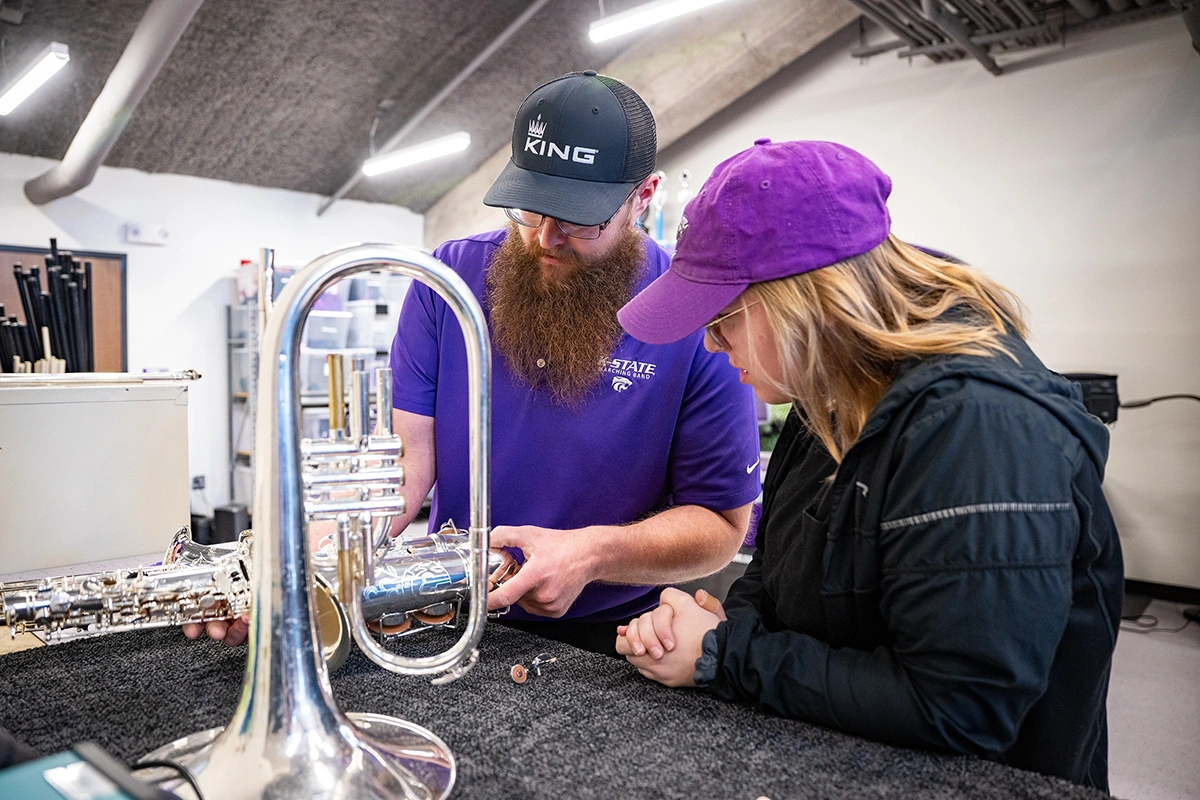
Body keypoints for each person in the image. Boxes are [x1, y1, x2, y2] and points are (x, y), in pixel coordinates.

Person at [614, 139, 1123, 789]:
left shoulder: (982, 432)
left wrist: (723, 656)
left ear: (803, 299)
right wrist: (720, 625)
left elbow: (961, 709)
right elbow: (771, 575)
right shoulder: (823, 396)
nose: (711, 343)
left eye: (723, 319)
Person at [377, 70, 762, 656]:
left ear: (643, 196)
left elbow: (720, 527)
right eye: (530, 210)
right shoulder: (448, 282)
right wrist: (327, 558)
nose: (546, 239)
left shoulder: (692, 314)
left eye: (579, 218)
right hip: (456, 615)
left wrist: (591, 555)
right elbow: (408, 468)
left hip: (613, 639)